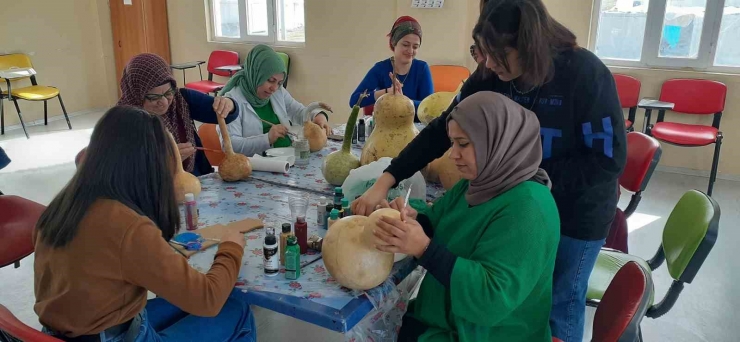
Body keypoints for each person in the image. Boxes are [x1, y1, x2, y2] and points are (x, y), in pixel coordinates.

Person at [352, 1, 627, 341]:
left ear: (529, 44)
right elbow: (443, 129)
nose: (490, 65)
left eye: (498, 55)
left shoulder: (584, 74)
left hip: (574, 214)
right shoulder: (492, 72)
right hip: (512, 194)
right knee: (509, 301)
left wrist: (517, 177)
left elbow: (607, 160)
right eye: (483, 53)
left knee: (555, 305)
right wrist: (388, 179)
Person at [34, 106, 255, 342]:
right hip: (111, 335)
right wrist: (231, 247)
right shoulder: (126, 225)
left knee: (181, 303)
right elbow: (208, 299)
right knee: (236, 308)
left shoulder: (63, 204)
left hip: (67, 332)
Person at [374, 92, 559, 342]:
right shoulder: (480, 183)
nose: (452, 155)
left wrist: (424, 248)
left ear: (496, 141)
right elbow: (438, 217)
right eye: (452, 143)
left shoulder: (529, 208)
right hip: (447, 319)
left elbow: (492, 297)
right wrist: (410, 217)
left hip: (490, 334)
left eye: (463, 144)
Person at [118, 53, 239, 176]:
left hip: (195, 180)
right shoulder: (121, 122)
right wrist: (165, 162)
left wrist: (229, 104)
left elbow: (227, 115)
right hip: (155, 190)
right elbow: (125, 174)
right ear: (136, 93)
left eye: (168, 93)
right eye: (154, 97)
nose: (164, 102)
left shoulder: (181, 99)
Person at [219, 44, 332, 157]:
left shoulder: (278, 92)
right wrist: (267, 139)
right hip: (257, 164)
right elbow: (230, 145)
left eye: (279, 83)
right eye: (270, 80)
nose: (274, 88)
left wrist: (318, 115)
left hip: (286, 155)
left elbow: (298, 112)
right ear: (256, 74)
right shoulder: (231, 102)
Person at [349, 16, 434, 119]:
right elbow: (354, 101)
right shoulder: (380, 68)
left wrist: (402, 100)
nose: (411, 51)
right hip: (385, 127)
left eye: (415, 47)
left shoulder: (422, 68)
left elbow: (429, 108)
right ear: (394, 43)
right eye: (405, 45)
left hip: (416, 129)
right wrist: (387, 92)